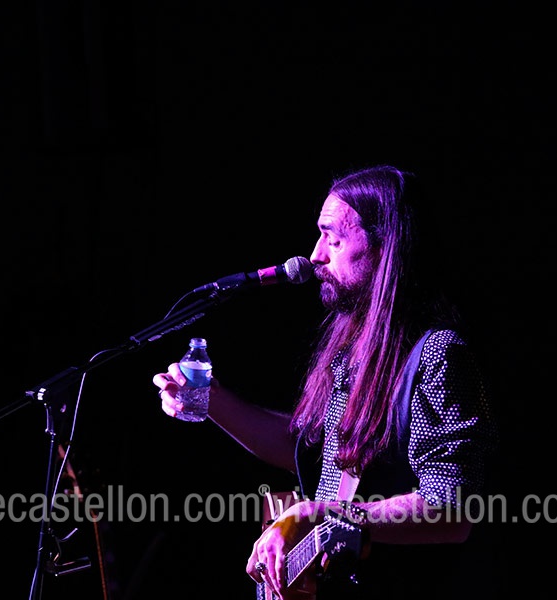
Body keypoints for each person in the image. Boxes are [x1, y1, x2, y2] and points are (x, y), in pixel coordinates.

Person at [152, 164, 497, 600]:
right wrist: (211, 400)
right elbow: (308, 450)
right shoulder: (353, 354)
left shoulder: (437, 354)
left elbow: (451, 509)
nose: (315, 255)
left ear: (385, 247)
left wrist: (319, 514)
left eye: (332, 238)